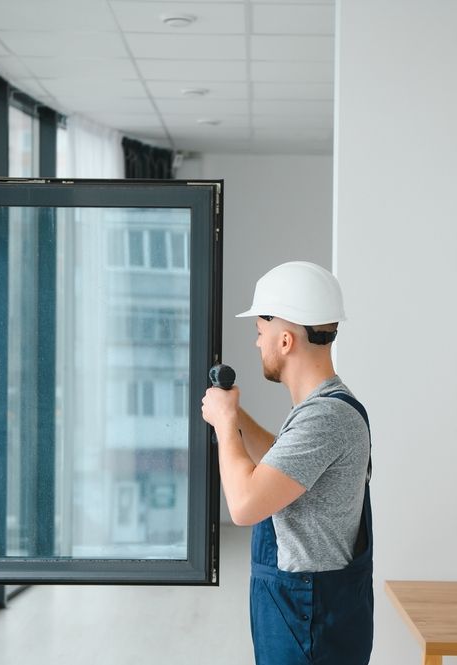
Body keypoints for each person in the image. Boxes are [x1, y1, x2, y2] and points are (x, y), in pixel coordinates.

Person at [201, 261, 373, 665]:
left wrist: (226, 425)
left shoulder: (325, 418)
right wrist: (236, 415)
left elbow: (243, 505)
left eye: (261, 334)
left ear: (285, 341)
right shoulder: (326, 409)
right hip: (307, 617)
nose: (257, 344)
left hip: (308, 624)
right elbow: (285, 465)